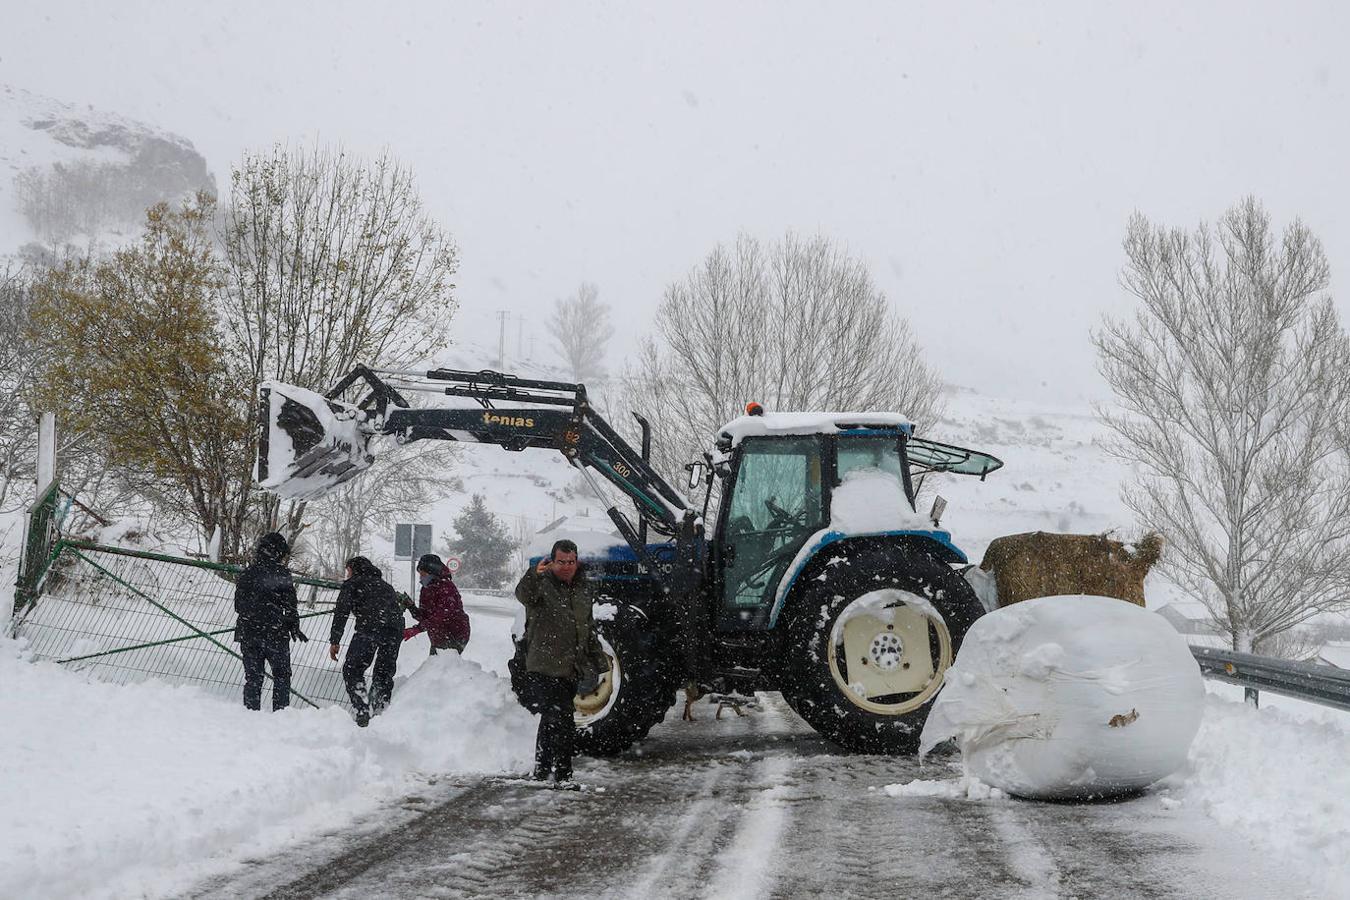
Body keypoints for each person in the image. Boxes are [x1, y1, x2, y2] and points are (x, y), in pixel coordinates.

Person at [514, 539, 607, 786]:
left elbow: (587, 628)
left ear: (577, 562)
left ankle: (542, 770)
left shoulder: (583, 590)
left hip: (570, 666)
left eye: (571, 562)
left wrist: (599, 663)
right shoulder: (541, 585)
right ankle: (564, 774)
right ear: (552, 562)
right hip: (544, 664)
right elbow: (523, 595)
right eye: (561, 562)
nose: (566, 567)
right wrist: (534, 574)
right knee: (563, 718)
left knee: (551, 718)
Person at [233, 531, 307, 711]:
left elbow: (238, 605)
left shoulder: (248, 572)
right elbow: (290, 605)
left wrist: (254, 616)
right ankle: (280, 714)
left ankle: (251, 712)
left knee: (253, 677)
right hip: (275, 633)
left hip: (249, 632)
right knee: (282, 676)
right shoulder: (282, 573)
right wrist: (293, 626)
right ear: (278, 552)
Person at [329, 556, 404, 727]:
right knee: (383, 672)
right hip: (394, 630)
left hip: (369, 629)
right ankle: (380, 710)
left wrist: (335, 640)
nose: (347, 574)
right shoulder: (386, 586)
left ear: (353, 569)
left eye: (348, 570)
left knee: (352, 668)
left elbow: (341, 612)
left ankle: (362, 709)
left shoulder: (352, 584)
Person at [402, 553, 471, 655]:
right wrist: (410, 606)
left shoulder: (446, 588)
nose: (421, 578)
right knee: (437, 666)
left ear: (432, 572)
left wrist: (417, 629)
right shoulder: (426, 589)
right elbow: (424, 617)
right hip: (439, 634)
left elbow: (440, 616)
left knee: (441, 666)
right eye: (420, 574)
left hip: (454, 634)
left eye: (423, 574)